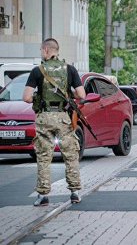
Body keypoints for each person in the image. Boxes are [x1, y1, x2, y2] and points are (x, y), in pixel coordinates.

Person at [23, 38, 86, 206]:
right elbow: (82, 95)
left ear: (45, 50)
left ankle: (43, 195)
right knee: (70, 154)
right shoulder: (70, 70)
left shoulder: (38, 71)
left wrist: (39, 97)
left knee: (44, 156)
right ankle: (74, 192)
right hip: (63, 117)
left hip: (44, 118)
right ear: (57, 51)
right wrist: (68, 95)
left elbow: (26, 97)